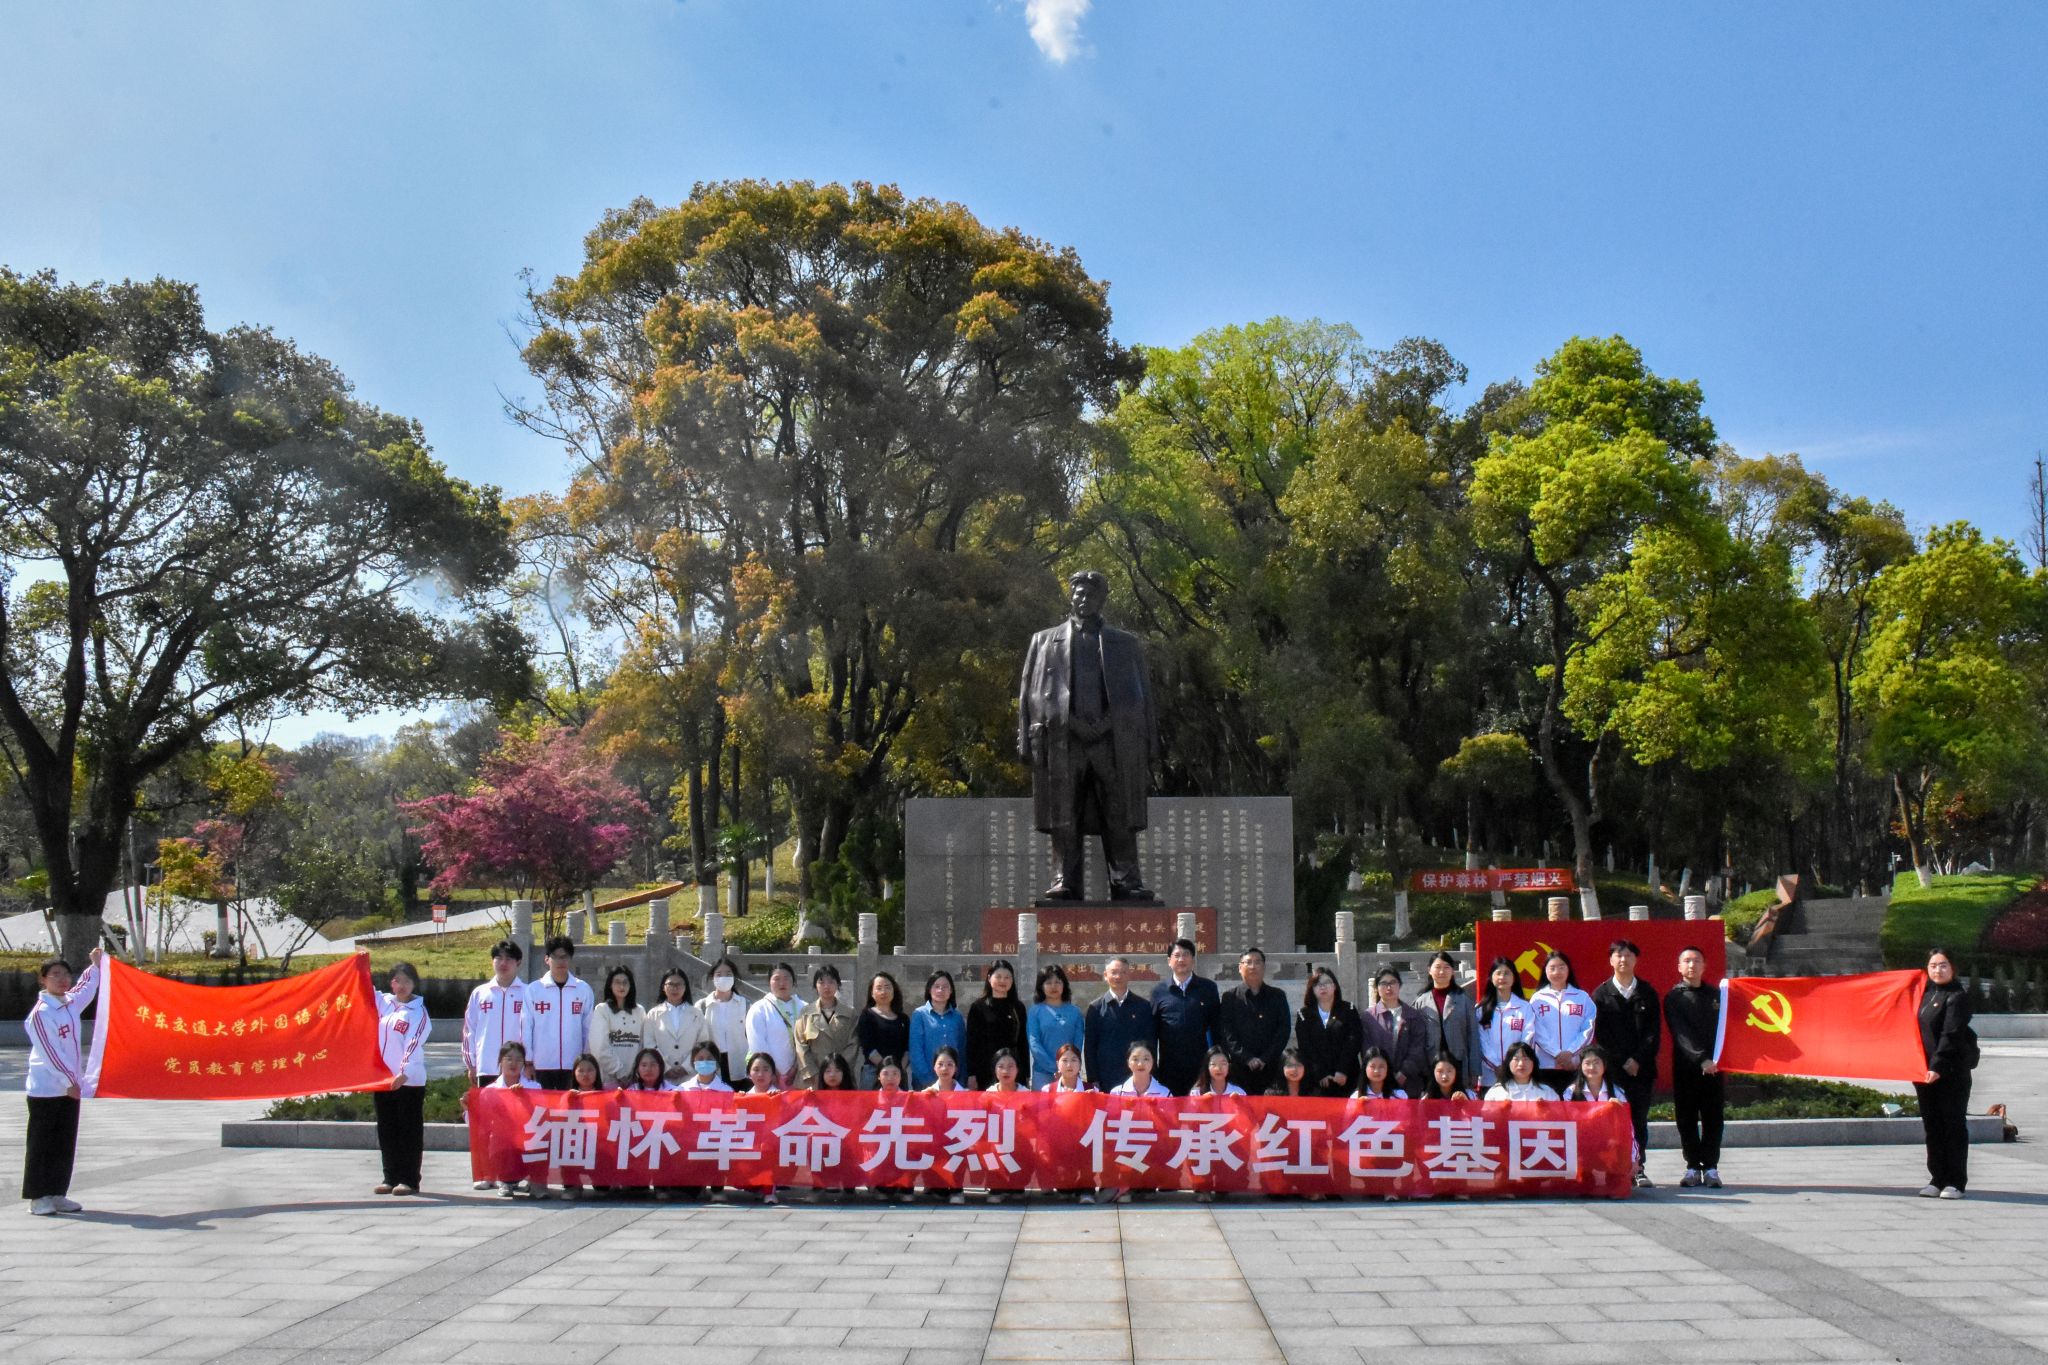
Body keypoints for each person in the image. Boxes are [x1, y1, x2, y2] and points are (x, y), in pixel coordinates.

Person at [22, 946, 102, 1217]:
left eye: (65, 974)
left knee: (64, 1143)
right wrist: (69, 1080)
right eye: (55, 975)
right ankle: (37, 1197)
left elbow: (86, 989)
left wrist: (95, 966)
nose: (62, 979)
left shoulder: (69, 1003)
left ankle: (57, 1193)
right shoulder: (41, 1013)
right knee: (41, 1144)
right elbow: (49, 1052)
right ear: (43, 980)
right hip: (46, 1089)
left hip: (69, 1089)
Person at [1591, 938, 1660, 1187]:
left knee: (1639, 1119)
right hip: (1614, 1071)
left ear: (1636, 960)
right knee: (1612, 1120)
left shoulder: (1647, 992)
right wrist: (1622, 1061)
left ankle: (1638, 1167)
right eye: (1618, 955)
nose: (1623, 959)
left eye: (1628, 955)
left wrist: (1638, 1060)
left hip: (1642, 1070)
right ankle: (1614, 1167)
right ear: (1611, 960)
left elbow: (1653, 1033)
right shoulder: (1601, 994)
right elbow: (1602, 1035)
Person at [1916, 947, 1980, 1200]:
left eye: (1943, 965)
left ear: (1953, 968)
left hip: (1951, 1072)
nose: (1938, 970)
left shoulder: (1957, 997)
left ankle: (1955, 1181)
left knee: (1952, 1125)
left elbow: (1950, 1035)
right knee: (1932, 1126)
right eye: (1933, 965)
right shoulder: (1924, 994)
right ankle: (1937, 1178)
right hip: (1924, 1073)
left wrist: (1937, 1066)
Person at [1664, 945, 1724, 1189]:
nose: (1692, 965)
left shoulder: (1717, 996)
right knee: (1686, 1118)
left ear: (1704, 966)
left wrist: (1717, 1059)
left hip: (1715, 1068)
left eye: (1696, 960)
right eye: (1687, 961)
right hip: (1686, 1068)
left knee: (1713, 1118)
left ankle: (1710, 1167)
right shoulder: (1674, 998)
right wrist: (1701, 1059)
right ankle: (1692, 1166)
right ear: (1679, 967)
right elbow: (1681, 1034)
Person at [372, 960, 430, 1197]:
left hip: (409, 1080)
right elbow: (362, 988)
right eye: (397, 980)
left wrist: (404, 1071)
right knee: (387, 1129)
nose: (402, 985)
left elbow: (413, 1042)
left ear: (414, 983)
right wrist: (360, 963)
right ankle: (390, 1177)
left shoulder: (418, 1012)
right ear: (391, 983)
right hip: (383, 1080)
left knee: (409, 1130)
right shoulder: (385, 1003)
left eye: (407, 980)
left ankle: (409, 1179)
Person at [1150, 937, 1220, 1096]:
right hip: (1169, 1067)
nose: (1181, 959)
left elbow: (1216, 1026)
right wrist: (1153, 1067)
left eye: (1186, 955)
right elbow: (1153, 1032)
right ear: (1169, 961)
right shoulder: (1159, 991)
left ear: (1193, 960)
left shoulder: (1208, 988)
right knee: (1171, 1108)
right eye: (1177, 955)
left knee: (1202, 1107)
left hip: (1201, 1066)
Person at [1217, 947, 1291, 1093]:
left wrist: (1265, 1058)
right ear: (1240, 968)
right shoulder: (1230, 997)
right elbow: (1227, 1032)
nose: (1253, 966)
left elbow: (1283, 1030)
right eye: (1248, 962)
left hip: (1270, 1067)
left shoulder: (1277, 996)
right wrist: (1247, 1058)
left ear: (1264, 967)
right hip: (1239, 1068)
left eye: (1257, 962)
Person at [528, 935, 596, 1088]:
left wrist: (586, 1058)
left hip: (573, 1064)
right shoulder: (534, 990)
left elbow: (588, 1027)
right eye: (556, 957)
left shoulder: (583, 989)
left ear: (570, 959)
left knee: (570, 1103)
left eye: (564, 957)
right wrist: (528, 1060)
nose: (560, 961)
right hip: (541, 1064)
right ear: (547, 959)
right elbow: (526, 1026)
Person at [462, 940, 532, 1088]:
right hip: (487, 1065)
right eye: (499, 958)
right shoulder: (480, 993)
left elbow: (534, 1031)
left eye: (509, 959)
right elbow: (469, 1030)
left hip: (518, 1068)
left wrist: (530, 1063)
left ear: (518, 962)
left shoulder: (528, 993)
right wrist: (471, 1064)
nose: (503, 963)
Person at [1084, 956, 1157, 1091]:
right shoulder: (1095, 1008)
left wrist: (1150, 1075)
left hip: (1136, 1076)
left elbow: (1150, 1043)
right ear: (1105, 975)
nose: (1118, 976)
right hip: (1106, 1076)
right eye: (1114, 972)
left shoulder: (1143, 1006)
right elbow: (1090, 1047)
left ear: (1129, 975)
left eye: (1123, 972)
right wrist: (1093, 1079)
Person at [1530, 950, 1595, 1094]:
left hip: (1574, 1064)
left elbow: (1588, 1029)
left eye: (1561, 967)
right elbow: (1537, 1030)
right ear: (1545, 971)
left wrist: (1570, 1053)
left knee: (1574, 1105)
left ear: (1568, 969)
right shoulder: (1537, 999)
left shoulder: (1582, 997)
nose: (1557, 972)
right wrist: (1557, 1053)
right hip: (1545, 1066)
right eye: (1552, 968)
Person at [1294, 966, 1364, 1098]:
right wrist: (1320, 1073)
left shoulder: (1348, 1009)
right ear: (1311, 989)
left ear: (1335, 986)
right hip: (1317, 1081)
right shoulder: (1304, 1014)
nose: (1323, 987)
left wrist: (1342, 1070)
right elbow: (1305, 1046)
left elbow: (1354, 1040)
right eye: (1317, 984)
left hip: (1346, 1078)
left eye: (1327, 982)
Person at [1415, 951, 1480, 1089]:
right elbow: (1416, 1039)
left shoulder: (1463, 1000)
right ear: (1429, 970)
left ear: (1452, 971)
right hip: (1430, 1063)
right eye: (1437, 967)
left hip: (1458, 1061)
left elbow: (1473, 1036)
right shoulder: (1421, 1002)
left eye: (1446, 967)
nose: (1441, 971)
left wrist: (1475, 1071)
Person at [967, 958, 1031, 1089]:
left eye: (1007, 977)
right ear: (989, 978)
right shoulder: (978, 1007)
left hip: (1013, 1069)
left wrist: (1026, 1073)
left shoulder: (1018, 1007)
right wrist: (971, 1074)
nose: (1003, 981)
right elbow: (972, 1043)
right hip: (985, 1069)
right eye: (999, 976)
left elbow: (1023, 1042)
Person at [1362, 968, 1429, 1094]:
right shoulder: (1368, 1017)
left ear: (1399, 985)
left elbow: (1418, 1048)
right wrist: (1381, 1072)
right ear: (1376, 987)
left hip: (1408, 1081)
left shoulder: (1413, 1015)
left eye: (1393, 982)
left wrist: (1404, 1073)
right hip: (1378, 1081)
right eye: (1383, 983)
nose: (1389, 988)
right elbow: (1367, 1049)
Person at [794, 963, 859, 1090]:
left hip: (841, 1078)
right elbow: (800, 1046)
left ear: (838, 984)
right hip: (812, 1079)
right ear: (815, 986)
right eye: (821, 982)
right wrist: (814, 1074)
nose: (826, 986)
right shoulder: (806, 1013)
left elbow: (853, 1045)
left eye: (831, 982)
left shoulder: (849, 1013)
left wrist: (838, 1070)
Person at [744, 962, 805, 1088]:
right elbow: (757, 1043)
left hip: (799, 1074)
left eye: (786, 978)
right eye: (776, 979)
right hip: (768, 1077)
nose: (782, 983)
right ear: (769, 982)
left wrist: (796, 1067)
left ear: (793, 981)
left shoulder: (804, 1007)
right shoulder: (759, 1009)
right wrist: (772, 1072)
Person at [1475, 956, 1533, 1088]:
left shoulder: (1525, 1008)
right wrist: (1497, 1065)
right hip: (1489, 1075)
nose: (1502, 977)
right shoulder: (1480, 1010)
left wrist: (1512, 1064)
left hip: (1517, 1073)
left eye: (1507, 973)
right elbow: (1481, 1041)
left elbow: (1528, 1037)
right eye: (1498, 973)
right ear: (1491, 978)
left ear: (1514, 977)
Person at [589, 965, 648, 1088]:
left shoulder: (640, 1011)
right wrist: (619, 1072)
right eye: (617, 982)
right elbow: (599, 1047)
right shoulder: (602, 1010)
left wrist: (636, 1072)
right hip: (608, 1079)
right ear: (610, 985)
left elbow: (643, 1044)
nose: (622, 986)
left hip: (634, 1080)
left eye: (625, 982)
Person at [646, 968, 707, 1083]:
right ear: (663, 987)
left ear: (685, 987)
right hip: (661, 1077)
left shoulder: (696, 1014)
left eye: (679, 984)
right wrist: (665, 1068)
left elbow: (702, 1044)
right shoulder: (653, 1014)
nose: (675, 988)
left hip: (690, 1076)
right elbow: (649, 1045)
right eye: (670, 984)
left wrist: (686, 1067)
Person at [1028, 965, 1086, 1085]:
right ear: (1041, 986)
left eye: (1057, 982)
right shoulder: (1035, 1011)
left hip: (1070, 1071)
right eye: (1048, 983)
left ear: (1064, 985)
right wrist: (1055, 1067)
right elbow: (1034, 1043)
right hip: (1043, 1073)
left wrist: (1066, 1066)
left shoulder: (1075, 1012)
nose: (1053, 986)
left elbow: (1078, 1042)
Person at [909, 969, 968, 1089]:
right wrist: (930, 1082)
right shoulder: (919, 1015)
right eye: (936, 986)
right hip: (925, 1082)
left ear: (951, 991)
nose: (940, 990)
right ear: (929, 989)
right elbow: (916, 1051)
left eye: (945, 987)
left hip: (953, 1083)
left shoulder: (957, 1017)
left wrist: (960, 1080)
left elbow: (962, 1049)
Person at [696, 956, 749, 1084]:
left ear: (734, 977)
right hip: (712, 1064)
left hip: (740, 1064)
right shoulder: (702, 1006)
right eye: (719, 974)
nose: (723, 978)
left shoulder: (745, 1005)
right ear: (712, 978)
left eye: (728, 974)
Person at [856, 971, 910, 1089]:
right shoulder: (867, 1016)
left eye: (887, 987)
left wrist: (898, 1069)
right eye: (879, 988)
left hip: (898, 1074)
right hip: (873, 1073)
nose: (883, 992)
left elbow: (907, 1048)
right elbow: (868, 1048)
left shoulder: (903, 1019)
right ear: (872, 993)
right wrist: (885, 1069)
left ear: (894, 990)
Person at [742, 1053, 783, 1205]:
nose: (760, 1074)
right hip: (749, 1144)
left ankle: (769, 1192)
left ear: (773, 1074)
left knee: (768, 1150)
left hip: (772, 1145)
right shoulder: (744, 1096)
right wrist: (739, 1102)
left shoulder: (780, 1095)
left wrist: (779, 1100)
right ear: (748, 1074)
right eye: (756, 1069)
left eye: (766, 1069)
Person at [1484, 1042, 1559, 1100]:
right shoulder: (1496, 1092)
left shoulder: (1547, 1093)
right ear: (1508, 1063)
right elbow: (1486, 1114)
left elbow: (1557, 1114)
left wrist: (1544, 1111)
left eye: (1526, 1059)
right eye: (1516, 1059)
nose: (1521, 1064)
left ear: (1534, 1063)